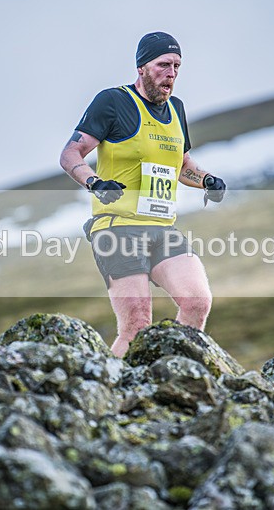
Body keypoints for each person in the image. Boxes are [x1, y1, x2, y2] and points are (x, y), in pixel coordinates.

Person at [60, 31, 226, 357]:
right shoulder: (113, 102)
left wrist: (207, 180)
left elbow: (181, 164)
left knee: (197, 302)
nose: (172, 73)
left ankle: (175, 375)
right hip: (117, 227)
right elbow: (71, 154)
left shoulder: (176, 109)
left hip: (162, 228)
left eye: (177, 66)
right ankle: (112, 391)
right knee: (136, 325)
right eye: (164, 64)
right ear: (142, 67)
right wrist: (95, 182)